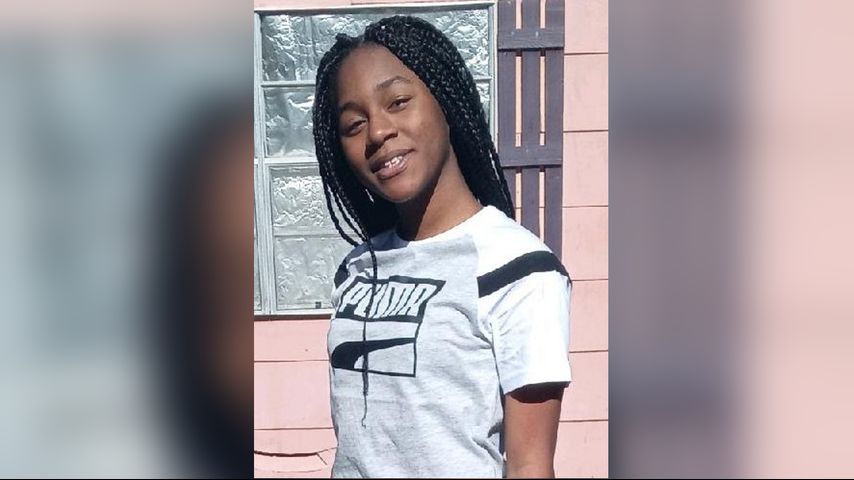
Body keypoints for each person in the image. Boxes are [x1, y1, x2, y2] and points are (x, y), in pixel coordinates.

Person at [312, 15, 572, 478]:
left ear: (445, 103)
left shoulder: (519, 269)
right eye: (353, 124)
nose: (377, 132)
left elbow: (530, 466)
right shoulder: (357, 269)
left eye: (398, 102)